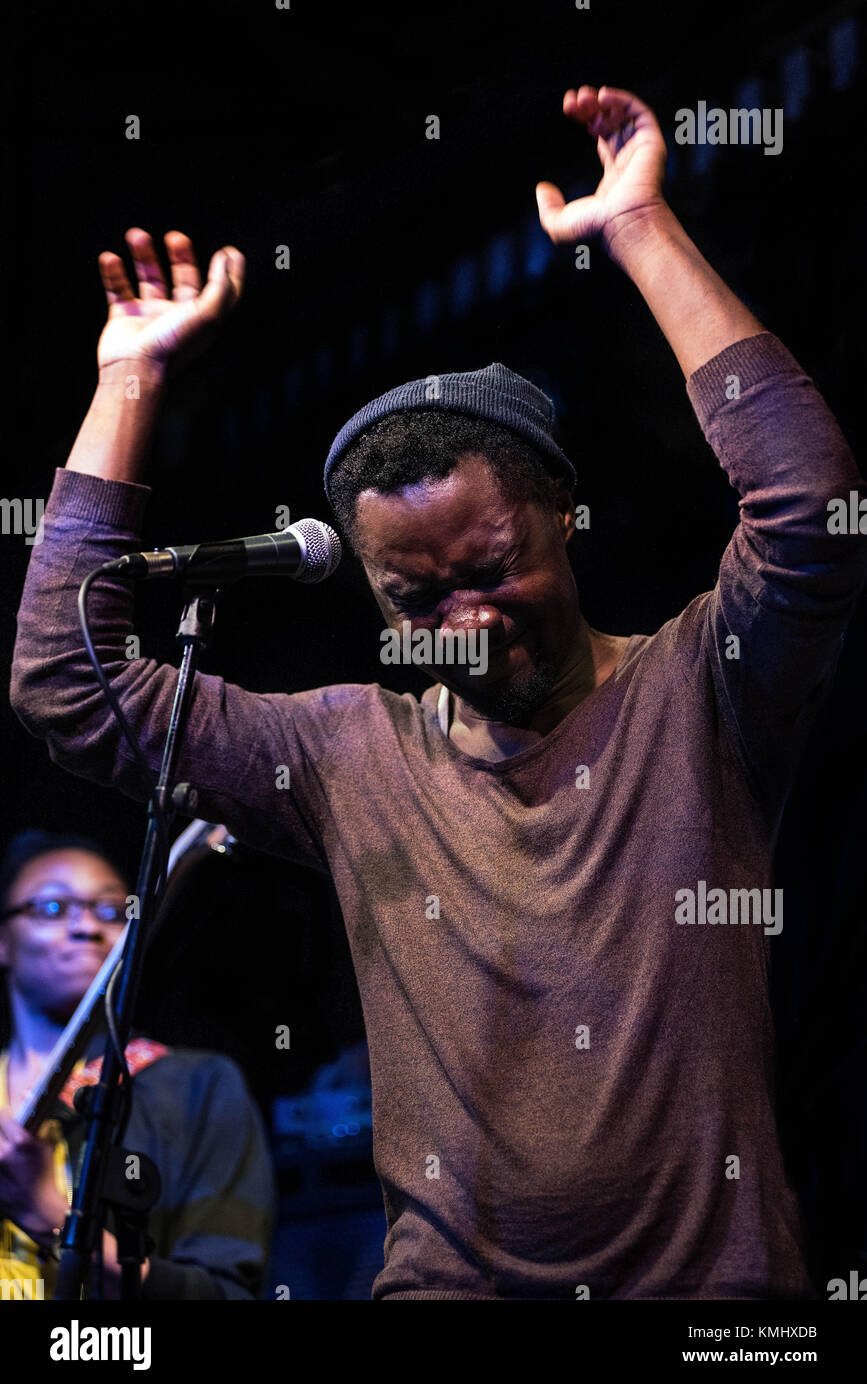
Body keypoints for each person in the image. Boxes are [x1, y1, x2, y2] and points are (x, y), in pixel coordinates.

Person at [9, 83, 867, 1299]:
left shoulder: (702, 687)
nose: (465, 620)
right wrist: (129, 381)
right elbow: (67, 682)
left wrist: (638, 228)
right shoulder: (352, 752)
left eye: (494, 569)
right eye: (415, 599)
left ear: (565, 515)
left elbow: (813, 516)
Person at [0, 831, 275, 1299]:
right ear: (3, 940)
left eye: (111, 910)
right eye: (53, 908)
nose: (86, 926)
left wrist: (47, 1215)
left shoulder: (198, 1087)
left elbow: (226, 1293)